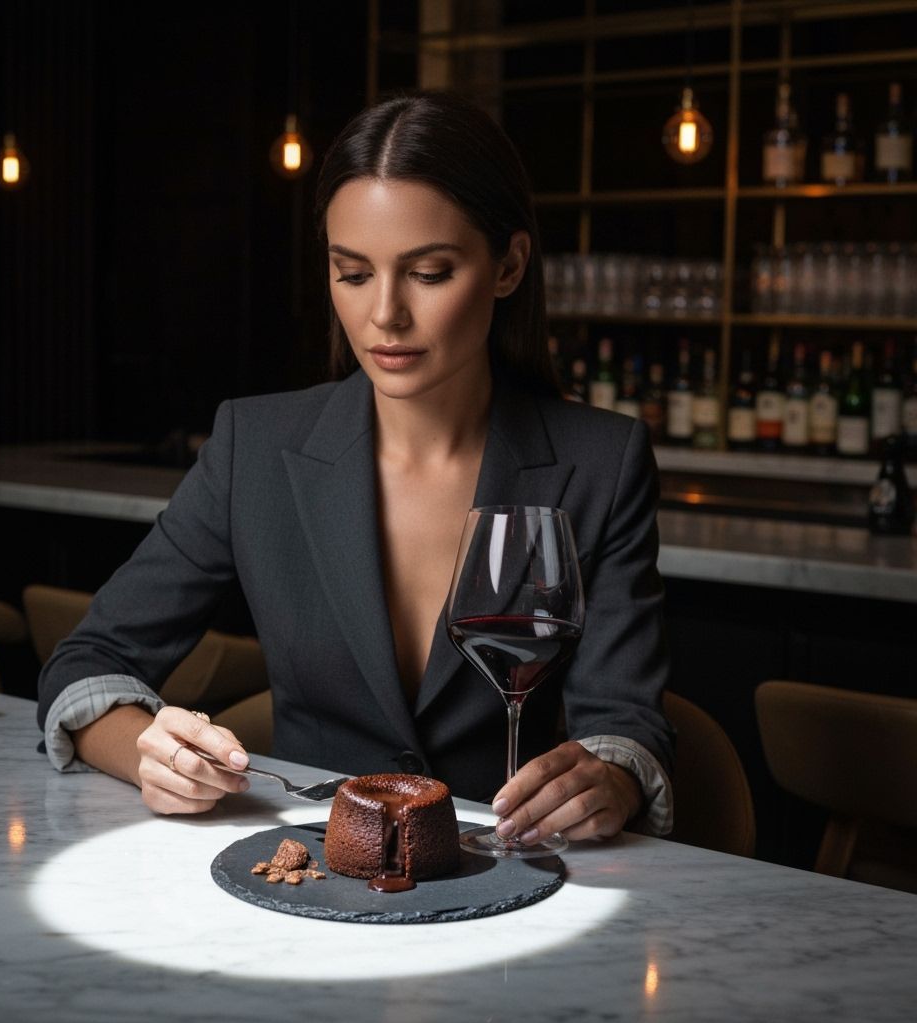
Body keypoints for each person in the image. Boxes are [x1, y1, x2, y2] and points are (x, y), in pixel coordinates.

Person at [37, 91, 674, 843]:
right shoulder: (255, 446)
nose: (385, 316)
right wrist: (149, 756)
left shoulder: (604, 460)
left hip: (512, 878)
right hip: (308, 878)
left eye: (429, 273)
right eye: (353, 273)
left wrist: (613, 778)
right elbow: (86, 662)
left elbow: (625, 725)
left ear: (508, 265)